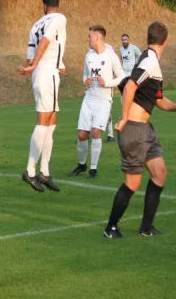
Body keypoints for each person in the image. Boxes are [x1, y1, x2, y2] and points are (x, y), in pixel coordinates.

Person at [104, 21, 173, 238]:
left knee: (160, 173)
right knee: (133, 182)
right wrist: (124, 118)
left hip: (146, 130)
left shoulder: (151, 62)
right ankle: (111, 228)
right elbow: (130, 87)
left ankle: (146, 227)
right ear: (167, 41)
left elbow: (159, 100)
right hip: (134, 129)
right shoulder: (150, 61)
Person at [18, 0, 66, 193]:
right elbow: (46, 41)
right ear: (56, 4)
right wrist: (40, 64)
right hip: (46, 74)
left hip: (43, 73)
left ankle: (44, 172)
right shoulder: (59, 18)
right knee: (43, 121)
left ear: (44, 5)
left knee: (51, 123)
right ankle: (30, 170)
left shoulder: (35, 24)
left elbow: (31, 56)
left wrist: (36, 65)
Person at [69, 26, 124, 179]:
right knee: (81, 135)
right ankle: (81, 165)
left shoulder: (111, 56)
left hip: (104, 100)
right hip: (89, 98)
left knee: (96, 132)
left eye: (90, 37)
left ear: (98, 37)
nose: (88, 39)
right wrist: (84, 80)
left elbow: (121, 77)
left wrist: (106, 83)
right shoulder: (89, 56)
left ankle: (93, 168)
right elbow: (85, 75)